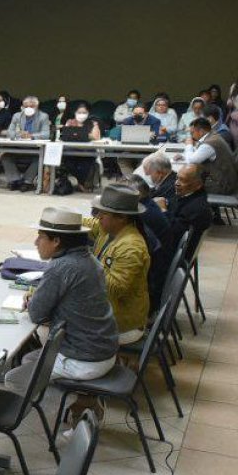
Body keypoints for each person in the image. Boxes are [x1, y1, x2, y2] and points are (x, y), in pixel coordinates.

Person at [5, 207, 119, 423]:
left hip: (85, 359)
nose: (36, 242)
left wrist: (35, 302)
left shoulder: (60, 267)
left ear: (56, 241)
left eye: (40, 237)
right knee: (30, 358)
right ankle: (85, 399)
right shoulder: (89, 259)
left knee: (11, 379)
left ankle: (83, 405)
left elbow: (37, 314)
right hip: (104, 348)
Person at [85, 185, 150, 345]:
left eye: (103, 213)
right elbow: (87, 223)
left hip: (122, 325)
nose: (98, 216)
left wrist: (86, 260)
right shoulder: (108, 229)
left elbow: (116, 289)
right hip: (108, 311)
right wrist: (61, 222)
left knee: (53, 325)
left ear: (121, 217)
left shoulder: (131, 247)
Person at [150, 165, 212, 305]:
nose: (176, 183)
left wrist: (163, 210)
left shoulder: (197, 208)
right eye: (177, 177)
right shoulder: (190, 196)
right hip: (175, 249)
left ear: (197, 185)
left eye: (182, 180)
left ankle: (148, 307)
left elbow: (171, 234)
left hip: (172, 257)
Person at [179, 117, 237, 197]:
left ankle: (191, 208)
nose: (191, 136)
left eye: (192, 133)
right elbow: (198, 154)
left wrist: (189, 145)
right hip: (226, 182)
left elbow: (191, 161)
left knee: (186, 185)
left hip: (223, 186)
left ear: (201, 131)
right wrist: (183, 155)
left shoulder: (210, 143)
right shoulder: (213, 135)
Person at [3, 95, 51, 191]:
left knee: (40, 158)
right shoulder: (17, 116)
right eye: (26, 106)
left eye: (31, 106)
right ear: (22, 107)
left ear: (37, 107)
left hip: (35, 149)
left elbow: (46, 134)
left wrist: (31, 136)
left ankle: (27, 182)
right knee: (5, 156)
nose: (28, 108)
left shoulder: (43, 116)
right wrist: (19, 134)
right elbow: (9, 132)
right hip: (18, 148)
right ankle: (15, 180)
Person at [59, 103, 103, 190]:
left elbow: (96, 137)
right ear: (75, 113)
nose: (81, 115)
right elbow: (65, 135)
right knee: (68, 163)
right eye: (79, 112)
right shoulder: (70, 122)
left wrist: (84, 134)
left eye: (84, 112)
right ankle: (81, 182)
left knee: (86, 163)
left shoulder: (93, 123)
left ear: (88, 113)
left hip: (87, 151)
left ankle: (82, 183)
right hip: (70, 151)